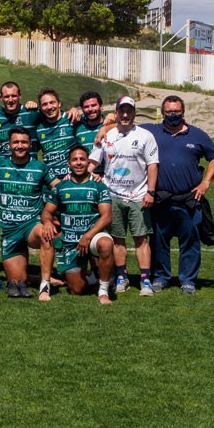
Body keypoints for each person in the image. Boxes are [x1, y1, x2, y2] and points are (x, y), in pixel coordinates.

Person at [143, 95, 214, 294]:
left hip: (189, 199)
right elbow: (124, 127)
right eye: (169, 112)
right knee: (159, 241)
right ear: (162, 113)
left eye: (176, 112)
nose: (173, 115)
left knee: (190, 241)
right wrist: (105, 125)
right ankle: (161, 277)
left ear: (183, 112)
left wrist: (206, 183)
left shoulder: (197, 135)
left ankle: (188, 280)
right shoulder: (151, 131)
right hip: (161, 198)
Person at [89, 96, 158, 296]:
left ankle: (145, 280)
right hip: (113, 196)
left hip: (139, 195)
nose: (125, 114)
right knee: (118, 240)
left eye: (129, 111)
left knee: (141, 239)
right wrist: (82, 174)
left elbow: (153, 165)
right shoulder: (106, 135)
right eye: (122, 111)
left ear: (134, 113)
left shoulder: (145, 136)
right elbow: (93, 162)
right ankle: (122, 276)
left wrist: (150, 192)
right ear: (116, 113)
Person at [0, 127, 56, 299]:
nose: (20, 145)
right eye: (16, 142)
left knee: (46, 234)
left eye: (24, 142)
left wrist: (49, 216)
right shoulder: (0, 164)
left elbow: (59, 188)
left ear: (30, 145)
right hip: (9, 230)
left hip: (32, 224)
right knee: (17, 282)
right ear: (9, 145)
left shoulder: (40, 167)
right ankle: (31, 278)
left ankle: (45, 286)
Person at [41, 145, 114, 304]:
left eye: (82, 159)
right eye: (75, 159)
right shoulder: (60, 187)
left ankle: (103, 290)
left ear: (88, 162)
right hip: (71, 242)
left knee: (106, 243)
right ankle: (94, 276)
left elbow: (107, 216)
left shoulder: (98, 185)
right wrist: (47, 222)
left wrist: (87, 236)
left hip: (92, 236)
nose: (79, 163)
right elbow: (47, 212)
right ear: (69, 163)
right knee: (76, 290)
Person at [36, 87, 77, 180]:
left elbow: (95, 123)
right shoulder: (39, 129)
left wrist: (110, 116)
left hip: (71, 179)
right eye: (44, 104)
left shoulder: (71, 119)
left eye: (52, 102)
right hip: (50, 181)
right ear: (41, 108)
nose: (49, 107)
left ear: (59, 104)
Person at [75, 91, 106, 175]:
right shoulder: (78, 126)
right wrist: (72, 109)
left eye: (93, 105)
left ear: (101, 106)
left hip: (107, 178)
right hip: (86, 177)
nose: (90, 109)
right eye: (86, 107)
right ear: (82, 109)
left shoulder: (110, 125)